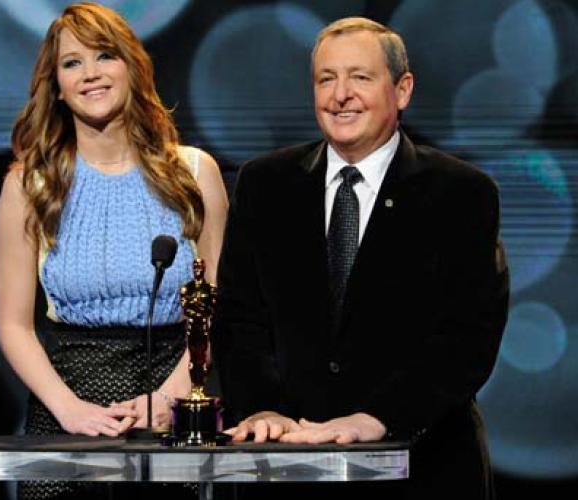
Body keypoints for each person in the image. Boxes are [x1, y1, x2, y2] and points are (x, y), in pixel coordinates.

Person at [211, 16, 508, 500]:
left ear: (402, 89)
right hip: (289, 461)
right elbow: (239, 318)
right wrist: (261, 408)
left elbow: (469, 336)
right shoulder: (264, 184)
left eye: (360, 77)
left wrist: (377, 418)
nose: (340, 95)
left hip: (422, 464)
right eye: (326, 79)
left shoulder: (461, 193)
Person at [0, 3, 228, 498]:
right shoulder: (29, 186)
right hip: (66, 411)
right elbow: (14, 325)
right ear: (56, 86)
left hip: (174, 407)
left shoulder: (194, 172)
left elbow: (220, 303)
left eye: (105, 55)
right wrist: (69, 409)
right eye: (72, 63)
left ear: (132, 67)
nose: (91, 73)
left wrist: (172, 396)